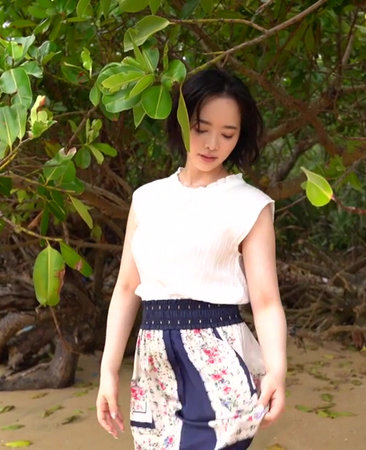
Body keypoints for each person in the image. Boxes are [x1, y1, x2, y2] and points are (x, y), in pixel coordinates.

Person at [96, 68, 287, 449]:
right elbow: (128, 287)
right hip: (153, 364)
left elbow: (266, 301)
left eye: (228, 134)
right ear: (181, 122)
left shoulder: (249, 204)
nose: (213, 144)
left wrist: (277, 371)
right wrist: (108, 371)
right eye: (201, 128)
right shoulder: (147, 198)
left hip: (218, 359)